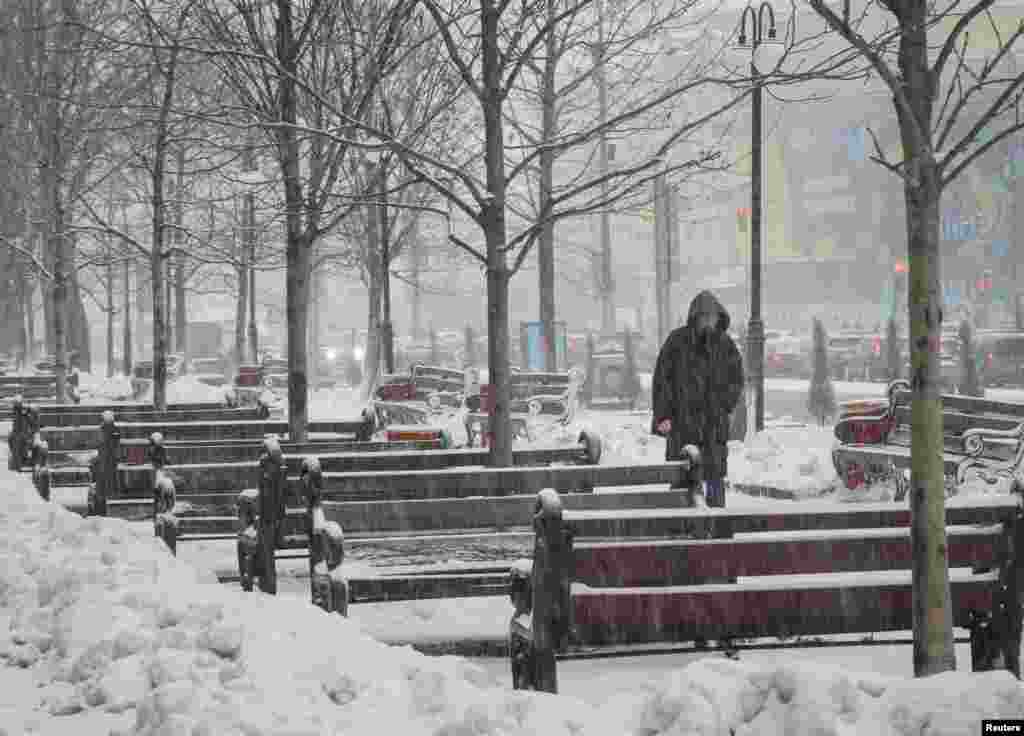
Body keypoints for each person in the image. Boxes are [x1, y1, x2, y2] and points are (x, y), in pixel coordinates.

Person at [651, 290, 744, 507]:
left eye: (712, 316)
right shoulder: (677, 342)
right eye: (704, 316)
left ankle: (717, 523)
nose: (709, 321)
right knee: (682, 475)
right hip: (683, 423)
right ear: (696, 317)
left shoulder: (725, 345)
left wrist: (724, 406)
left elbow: (736, 379)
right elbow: (661, 380)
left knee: (714, 478)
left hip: (713, 425)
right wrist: (663, 415)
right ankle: (679, 523)